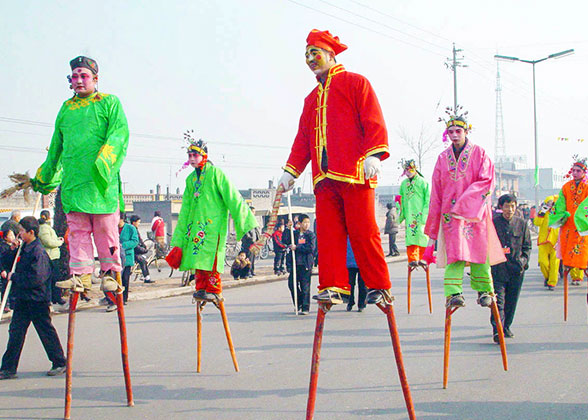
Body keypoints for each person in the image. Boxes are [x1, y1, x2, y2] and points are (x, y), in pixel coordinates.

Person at [277, 29, 391, 306]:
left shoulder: (356, 84)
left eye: (314, 53)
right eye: (306, 55)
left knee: (364, 232)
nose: (309, 59)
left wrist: (374, 155)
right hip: (324, 178)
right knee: (328, 236)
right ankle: (334, 285)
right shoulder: (310, 100)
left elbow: (373, 120)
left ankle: (378, 285)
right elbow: (303, 139)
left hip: (355, 172)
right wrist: (291, 171)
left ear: (330, 54)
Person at [30, 55, 128, 296]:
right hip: (74, 183)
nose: (79, 81)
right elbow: (56, 147)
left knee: (106, 230)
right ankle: (80, 277)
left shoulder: (109, 103)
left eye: (84, 76)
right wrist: (45, 176)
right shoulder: (66, 108)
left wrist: (104, 161)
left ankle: (108, 274)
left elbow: (120, 134)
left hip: (100, 184)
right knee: (77, 232)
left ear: (95, 79)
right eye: (75, 77)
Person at [424, 107, 505, 309]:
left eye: (457, 131)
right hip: (451, 215)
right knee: (455, 254)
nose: (454, 135)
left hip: (474, 213)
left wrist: (466, 201)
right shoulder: (442, 159)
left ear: (466, 131)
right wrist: (433, 227)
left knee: (479, 252)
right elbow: (436, 192)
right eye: (450, 132)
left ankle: (485, 291)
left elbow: (487, 181)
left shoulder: (480, 154)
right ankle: (454, 293)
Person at [166, 135, 257, 303]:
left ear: (204, 155)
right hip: (195, 227)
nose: (192, 158)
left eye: (195, 155)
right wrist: (181, 235)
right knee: (197, 257)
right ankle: (201, 287)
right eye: (189, 155)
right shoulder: (190, 180)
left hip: (213, 227)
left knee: (212, 257)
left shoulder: (216, 174)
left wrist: (246, 223)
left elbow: (233, 198)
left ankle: (214, 289)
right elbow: (185, 208)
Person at [0, 216, 66, 380]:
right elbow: (7, 261)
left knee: (45, 331)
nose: (19, 234)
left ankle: (59, 362)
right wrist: (11, 250)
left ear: (31, 232)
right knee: (16, 332)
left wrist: (13, 277)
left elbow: (36, 279)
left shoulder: (38, 252)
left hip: (37, 299)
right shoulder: (23, 248)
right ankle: (8, 368)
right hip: (23, 299)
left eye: (21, 231)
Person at [490, 194, 531, 343]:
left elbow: (527, 246)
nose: (510, 209)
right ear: (501, 207)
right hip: (498, 269)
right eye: (507, 206)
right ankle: (498, 330)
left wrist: (523, 262)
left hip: (515, 269)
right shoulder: (493, 224)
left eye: (512, 206)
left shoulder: (522, 224)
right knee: (498, 301)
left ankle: (506, 326)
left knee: (511, 301)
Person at [550, 156, 588, 285]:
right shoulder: (566, 187)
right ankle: (568, 266)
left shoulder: (587, 186)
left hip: (583, 222)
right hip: (568, 222)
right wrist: (561, 214)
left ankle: (581, 269)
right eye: (574, 170)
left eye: (578, 171)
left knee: (583, 245)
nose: (575, 173)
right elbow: (560, 203)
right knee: (568, 243)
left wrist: (582, 216)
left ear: (584, 172)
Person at [398, 159, 430, 266]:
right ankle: (412, 258)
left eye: (409, 169)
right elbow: (400, 199)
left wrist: (425, 214)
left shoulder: (423, 182)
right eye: (405, 170)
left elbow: (428, 200)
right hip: (409, 214)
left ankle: (422, 257)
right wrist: (400, 214)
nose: (407, 172)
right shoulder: (403, 184)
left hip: (420, 214)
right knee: (410, 236)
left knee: (421, 235)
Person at [282, 214, 316, 314]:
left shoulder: (310, 235)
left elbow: (311, 248)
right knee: (292, 284)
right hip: (295, 264)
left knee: (305, 286)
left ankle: (305, 307)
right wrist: (288, 229)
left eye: (308, 222)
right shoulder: (295, 234)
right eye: (305, 222)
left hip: (305, 264)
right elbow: (285, 240)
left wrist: (297, 247)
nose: (307, 225)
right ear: (299, 223)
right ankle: (298, 303)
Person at [38, 210, 66, 306]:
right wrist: (59, 243)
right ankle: (54, 297)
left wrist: (57, 240)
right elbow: (49, 242)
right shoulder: (44, 228)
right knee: (52, 278)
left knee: (55, 278)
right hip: (50, 256)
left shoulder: (46, 227)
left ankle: (56, 297)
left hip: (53, 256)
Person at [533, 195, 560, 290]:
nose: (551, 205)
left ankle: (552, 282)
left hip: (555, 242)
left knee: (555, 264)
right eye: (549, 203)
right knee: (542, 262)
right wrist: (542, 212)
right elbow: (537, 223)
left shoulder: (558, 213)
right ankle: (548, 277)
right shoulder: (543, 213)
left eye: (552, 203)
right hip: (543, 241)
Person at [119, 214, 138, 305]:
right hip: (115, 258)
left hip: (127, 257)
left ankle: (124, 298)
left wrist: (123, 246)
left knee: (125, 278)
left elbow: (135, 241)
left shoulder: (130, 228)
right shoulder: (112, 228)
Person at [130, 215, 153, 283]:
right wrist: (143, 250)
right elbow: (135, 244)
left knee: (149, 253)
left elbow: (140, 239)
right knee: (142, 260)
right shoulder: (132, 230)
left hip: (138, 250)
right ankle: (146, 278)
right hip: (134, 251)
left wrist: (144, 246)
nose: (139, 224)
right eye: (138, 222)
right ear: (134, 222)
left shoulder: (135, 229)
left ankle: (146, 277)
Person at [0, 227, 18, 312]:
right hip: (6, 269)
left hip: (13, 269)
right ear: (5, 237)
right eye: (10, 235)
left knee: (13, 288)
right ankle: (5, 304)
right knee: (5, 287)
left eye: (13, 235)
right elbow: (2, 259)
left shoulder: (14, 246)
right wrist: (2, 270)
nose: (12, 236)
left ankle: (13, 304)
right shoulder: (3, 247)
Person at [346, 238, 366, 312]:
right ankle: (352, 302)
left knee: (361, 285)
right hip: (350, 262)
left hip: (360, 263)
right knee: (350, 285)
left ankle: (360, 304)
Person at [240, 207, 260, 277]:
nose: (254, 213)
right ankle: (246, 273)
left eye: (254, 212)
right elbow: (245, 232)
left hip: (254, 242)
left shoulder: (253, 220)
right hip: (248, 243)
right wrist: (251, 239)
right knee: (248, 258)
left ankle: (251, 271)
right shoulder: (246, 220)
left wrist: (258, 239)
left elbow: (257, 230)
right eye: (252, 211)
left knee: (253, 258)